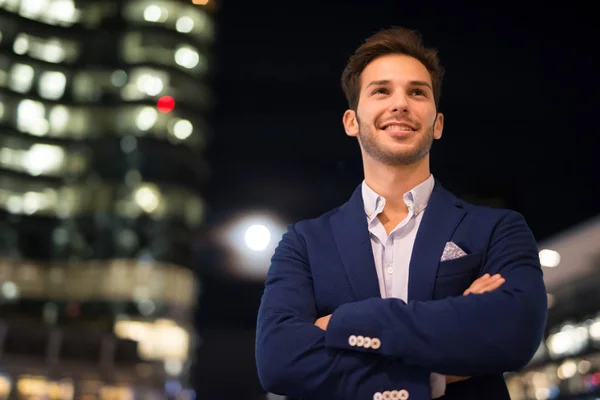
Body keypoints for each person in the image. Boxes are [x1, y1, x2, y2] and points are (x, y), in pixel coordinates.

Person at [255, 26, 547, 400]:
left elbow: (516, 333)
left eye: (417, 92)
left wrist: (343, 323)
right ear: (351, 121)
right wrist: (432, 374)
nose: (400, 104)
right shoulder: (304, 243)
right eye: (381, 91)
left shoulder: (498, 229)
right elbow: (279, 361)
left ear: (437, 123)